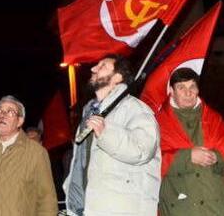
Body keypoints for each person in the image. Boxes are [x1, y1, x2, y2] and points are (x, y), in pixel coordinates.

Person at [64, 55, 160, 216]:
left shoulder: (135, 109)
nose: (93, 69)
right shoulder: (89, 113)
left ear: (117, 77)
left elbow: (143, 150)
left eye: (102, 66)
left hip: (121, 209)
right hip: (88, 209)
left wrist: (106, 134)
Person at [156, 67, 224, 215]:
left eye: (192, 86)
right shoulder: (159, 123)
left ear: (198, 90)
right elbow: (152, 161)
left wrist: (216, 158)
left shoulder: (214, 119)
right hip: (180, 209)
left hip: (216, 207)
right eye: (181, 88)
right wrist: (188, 157)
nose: (188, 93)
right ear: (171, 92)